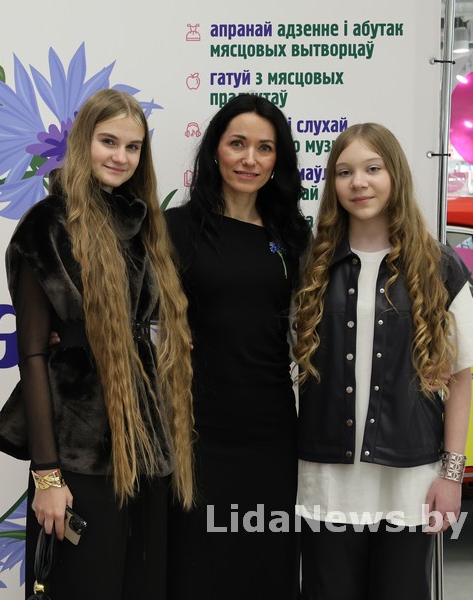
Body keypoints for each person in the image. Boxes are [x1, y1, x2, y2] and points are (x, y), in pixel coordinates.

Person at [0, 88, 195, 599]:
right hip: (79, 453)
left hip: (145, 448)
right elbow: (32, 353)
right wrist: (47, 476)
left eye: (133, 146)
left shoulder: (144, 226)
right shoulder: (46, 226)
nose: (120, 156)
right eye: (108, 141)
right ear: (83, 142)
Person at [292, 123, 473, 600]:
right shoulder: (310, 266)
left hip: (410, 482)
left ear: (395, 175)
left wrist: (452, 476)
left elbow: (461, 377)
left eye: (373, 169)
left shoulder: (439, 266)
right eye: (344, 172)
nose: (359, 183)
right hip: (326, 481)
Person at [165, 93, 310, 599]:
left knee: (265, 566)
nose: (250, 159)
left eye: (264, 148)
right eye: (237, 144)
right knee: (197, 569)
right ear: (215, 150)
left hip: (271, 431)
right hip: (196, 432)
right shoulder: (175, 229)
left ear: (277, 160)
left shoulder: (293, 235)